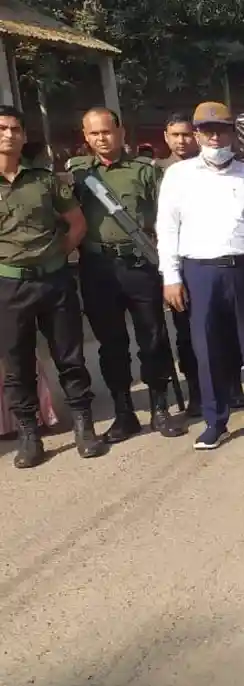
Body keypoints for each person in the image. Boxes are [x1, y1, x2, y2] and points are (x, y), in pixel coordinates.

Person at [156, 102, 244, 449]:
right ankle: (215, 421)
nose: (215, 138)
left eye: (221, 130)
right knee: (208, 350)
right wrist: (171, 276)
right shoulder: (179, 176)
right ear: (197, 135)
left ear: (232, 133)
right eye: (207, 131)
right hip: (200, 272)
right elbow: (167, 229)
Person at [67, 107, 186, 442]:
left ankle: (160, 408)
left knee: (153, 338)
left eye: (107, 131)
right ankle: (124, 414)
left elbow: (167, 219)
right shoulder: (78, 175)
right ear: (85, 137)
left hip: (140, 265)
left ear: (120, 133)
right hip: (97, 268)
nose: (101, 139)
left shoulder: (144, 171)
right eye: (94, 134)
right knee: (111, 345)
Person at [0, 104, 106, 467]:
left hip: (54, 281)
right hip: (9, 286)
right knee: (17, 364)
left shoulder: (44, 180)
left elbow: (77, 223)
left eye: (15, 129)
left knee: (69, 356)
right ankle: (29, 434)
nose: (9, 134)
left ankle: (83, 426)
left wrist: (56, 256)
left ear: (24, 136)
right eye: (2, 128)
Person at [155, 112, 244, 415]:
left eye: (186, 134)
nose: (181, 141)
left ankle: (232, 385)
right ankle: (198, 390)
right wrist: (170, 273)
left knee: (229, 329)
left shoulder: (227, 167)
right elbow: (163, 225)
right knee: (190, 334)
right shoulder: (160, 172)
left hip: (219, 260)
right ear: (166, 137)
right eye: (175, 135)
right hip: (182, 262)